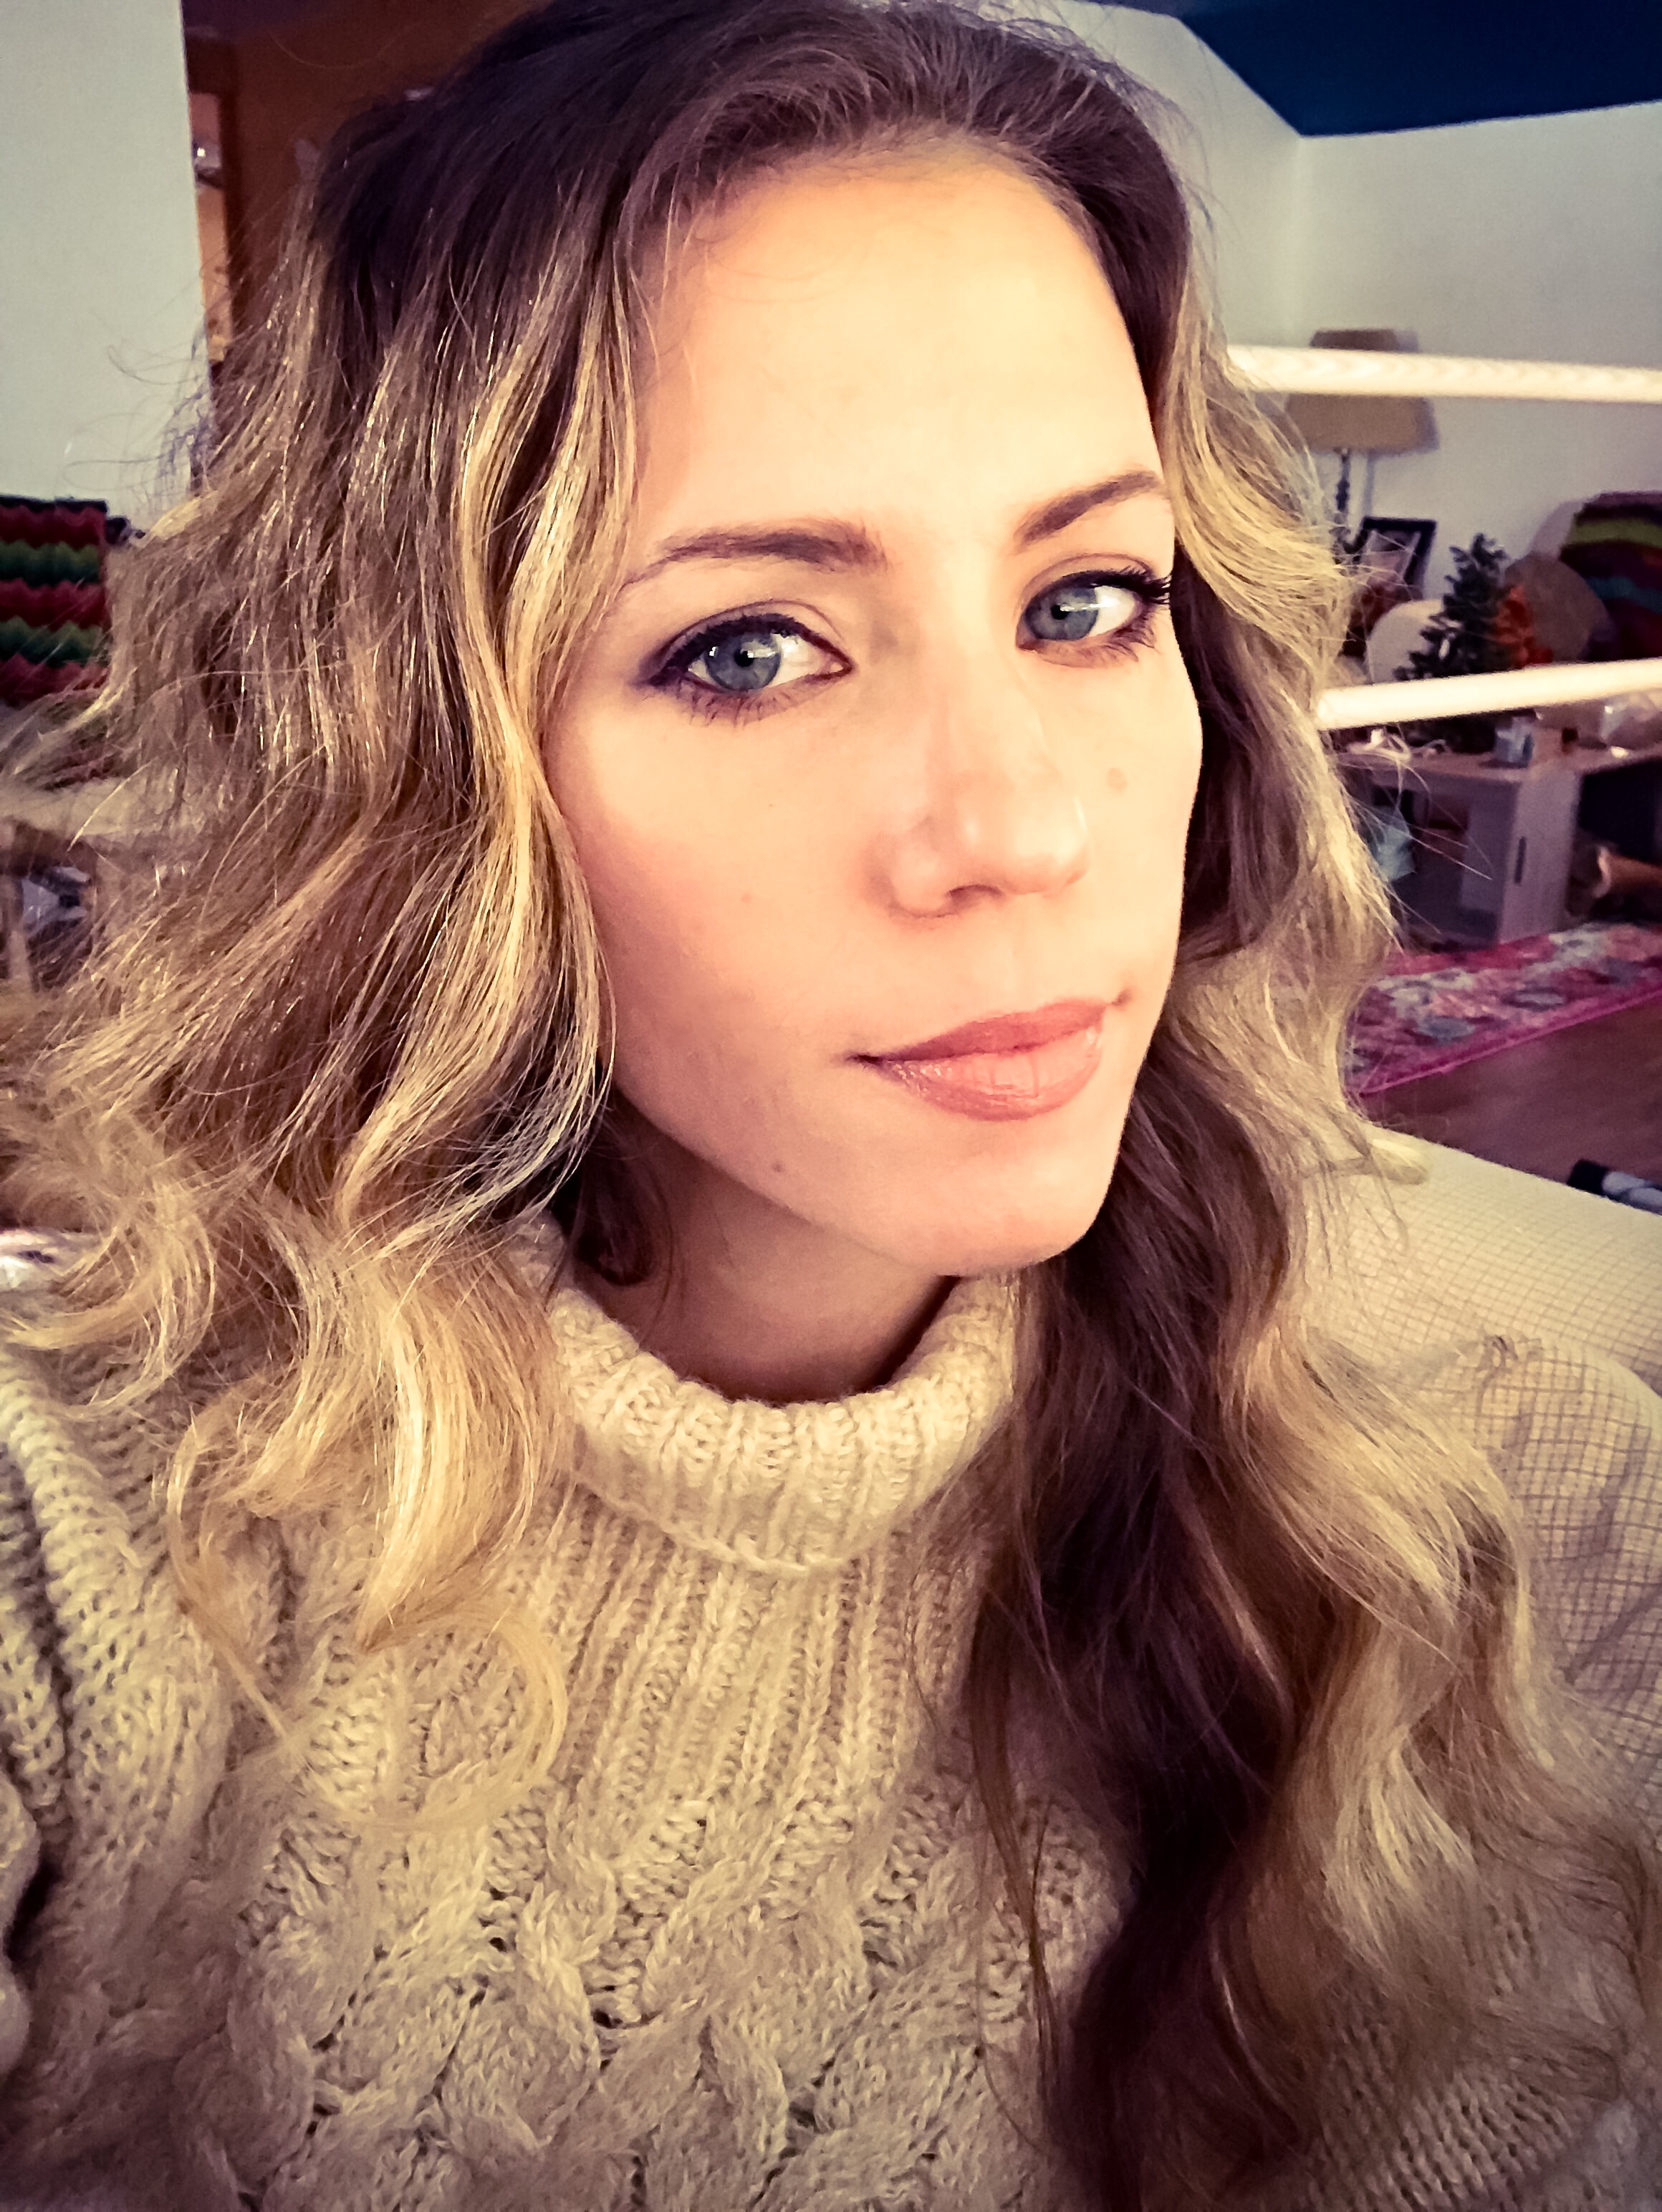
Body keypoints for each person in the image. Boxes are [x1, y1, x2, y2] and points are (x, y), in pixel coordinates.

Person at [0, 1, 1658, 2206]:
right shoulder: (82, 1554)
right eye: (747, 647)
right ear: (427, 772)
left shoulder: (1529, 1543)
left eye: (1088, 601)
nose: (1024, 826)